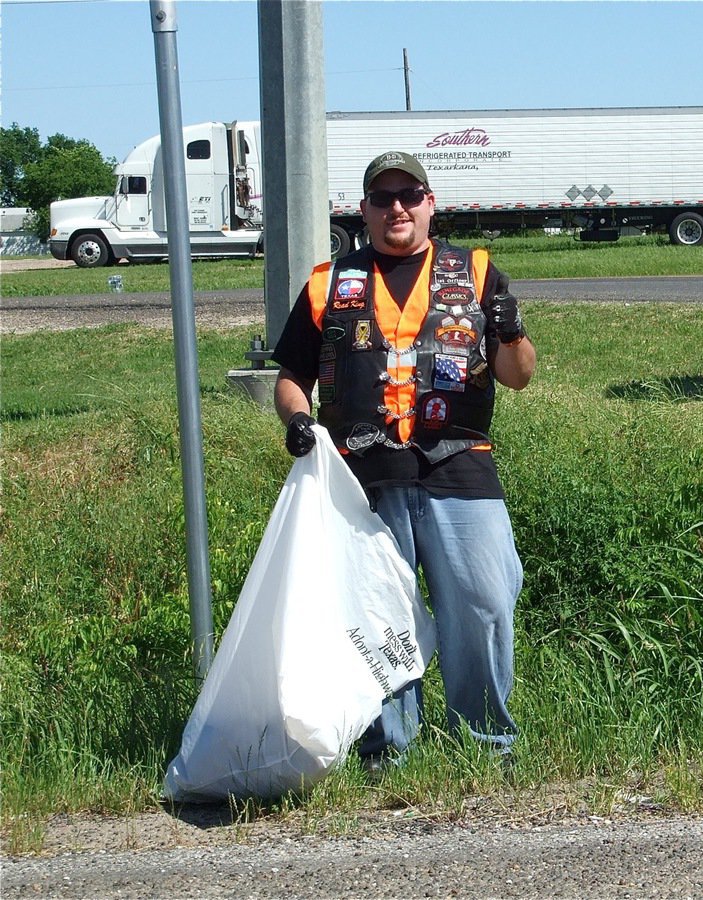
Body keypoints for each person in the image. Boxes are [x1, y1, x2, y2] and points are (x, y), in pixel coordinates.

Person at [271, 150, 536, 770]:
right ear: (362, 210)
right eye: (382, 198)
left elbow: (517, 377)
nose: (397, 208)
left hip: (460, 464)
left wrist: (514, 331)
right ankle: (386, 750)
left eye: (409, 195)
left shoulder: (474, 272)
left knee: (486, 600)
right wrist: (298, 422)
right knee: (377, 614)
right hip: (364, 476)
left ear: (430, 203)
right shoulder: (327, 283)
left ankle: (487, 746)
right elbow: (290, 378)